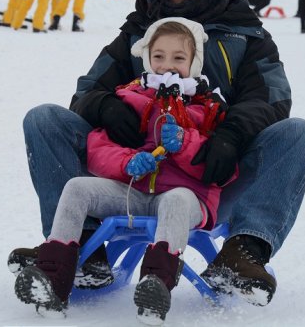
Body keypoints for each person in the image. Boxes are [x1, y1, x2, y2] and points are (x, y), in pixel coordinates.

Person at [8, 0, 305, 310]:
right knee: (44, 120)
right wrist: (105, 105)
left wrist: (231, 135)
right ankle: (83, 252)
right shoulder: (140, 29)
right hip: (133, 176)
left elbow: (272, 98)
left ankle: (243, 251)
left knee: (299, 134)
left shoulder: (244, 33)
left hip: (211, 176)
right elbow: (87, 90)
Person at [15, 18, 233, 322]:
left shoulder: (208, 109)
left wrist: (185, 144)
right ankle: (53, 279)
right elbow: (98, 147)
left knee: (175, 201)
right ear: (146, 58)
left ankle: (156, 286)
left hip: (187, 198)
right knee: (77, 188)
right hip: (132, 191)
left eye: (178, 58)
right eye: (158, 56)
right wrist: (126, 162)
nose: (166, 65)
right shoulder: (130, 98)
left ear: (194, 63)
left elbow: (224, 167)